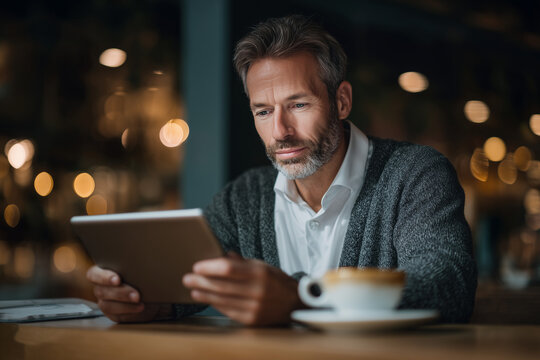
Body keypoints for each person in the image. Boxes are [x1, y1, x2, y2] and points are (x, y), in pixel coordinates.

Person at [87, 15, 477, 325]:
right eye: (263, 111)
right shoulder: (244, 198)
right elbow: (191, 283)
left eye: (299, 105)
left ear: (341, 101)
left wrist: (300, 298)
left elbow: (447, 284)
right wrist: (145, 303)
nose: (280, 132)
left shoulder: (415, 175)